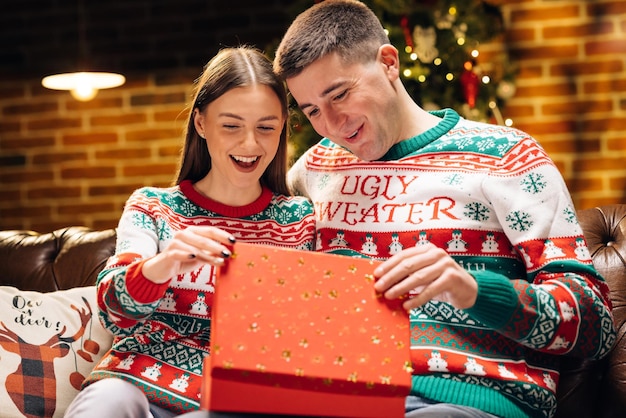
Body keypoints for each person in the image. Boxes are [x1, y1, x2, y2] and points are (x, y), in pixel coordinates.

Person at [273, 1, 616, 418]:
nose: (330, 123)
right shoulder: (311, 172)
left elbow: (594, 323)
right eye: (311, 111)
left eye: (340, 94)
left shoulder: (507, 157)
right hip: (335, 398)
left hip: (464, 402)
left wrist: (474, 291)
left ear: (388, 62)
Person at [64, 46, 316, 418]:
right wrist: (163, 265)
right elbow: (112, 312)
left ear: (282, 127)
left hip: (233, 399)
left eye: (266, 127)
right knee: (109, 403)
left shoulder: (299, 220)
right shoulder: (153, 206)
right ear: (200, 123)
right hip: (134, 383)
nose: (250, 144)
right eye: (231, 125)